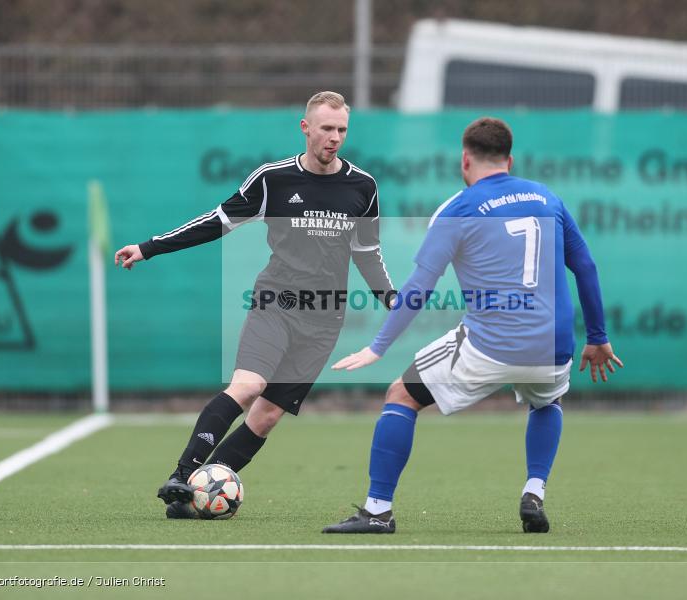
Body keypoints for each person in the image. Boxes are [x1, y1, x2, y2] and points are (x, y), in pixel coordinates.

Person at [322, 117, 622, 534]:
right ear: (509, 160)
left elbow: (419, 287)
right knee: (546, 402)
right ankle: (534, 491)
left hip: (491, 347)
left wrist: (378, 345)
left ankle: (376, 512)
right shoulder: (547, 198)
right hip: (553, 348)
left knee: (401, 395)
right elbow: (585, 266)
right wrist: (599, 337)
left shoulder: (457, 209)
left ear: (465, 160)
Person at [114, 91, 394, 519]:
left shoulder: (364, 187)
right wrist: (149, 248)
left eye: (341, 130)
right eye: (326, 129)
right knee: (248, 387)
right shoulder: (273, 179)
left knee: (265, 418)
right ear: (306, 128)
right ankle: (181, 474)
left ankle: (195, 497)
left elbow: (367, 253)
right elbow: (216, 222)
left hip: (324, 320)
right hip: (275, 304)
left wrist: (391, 299)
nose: (334, 138)